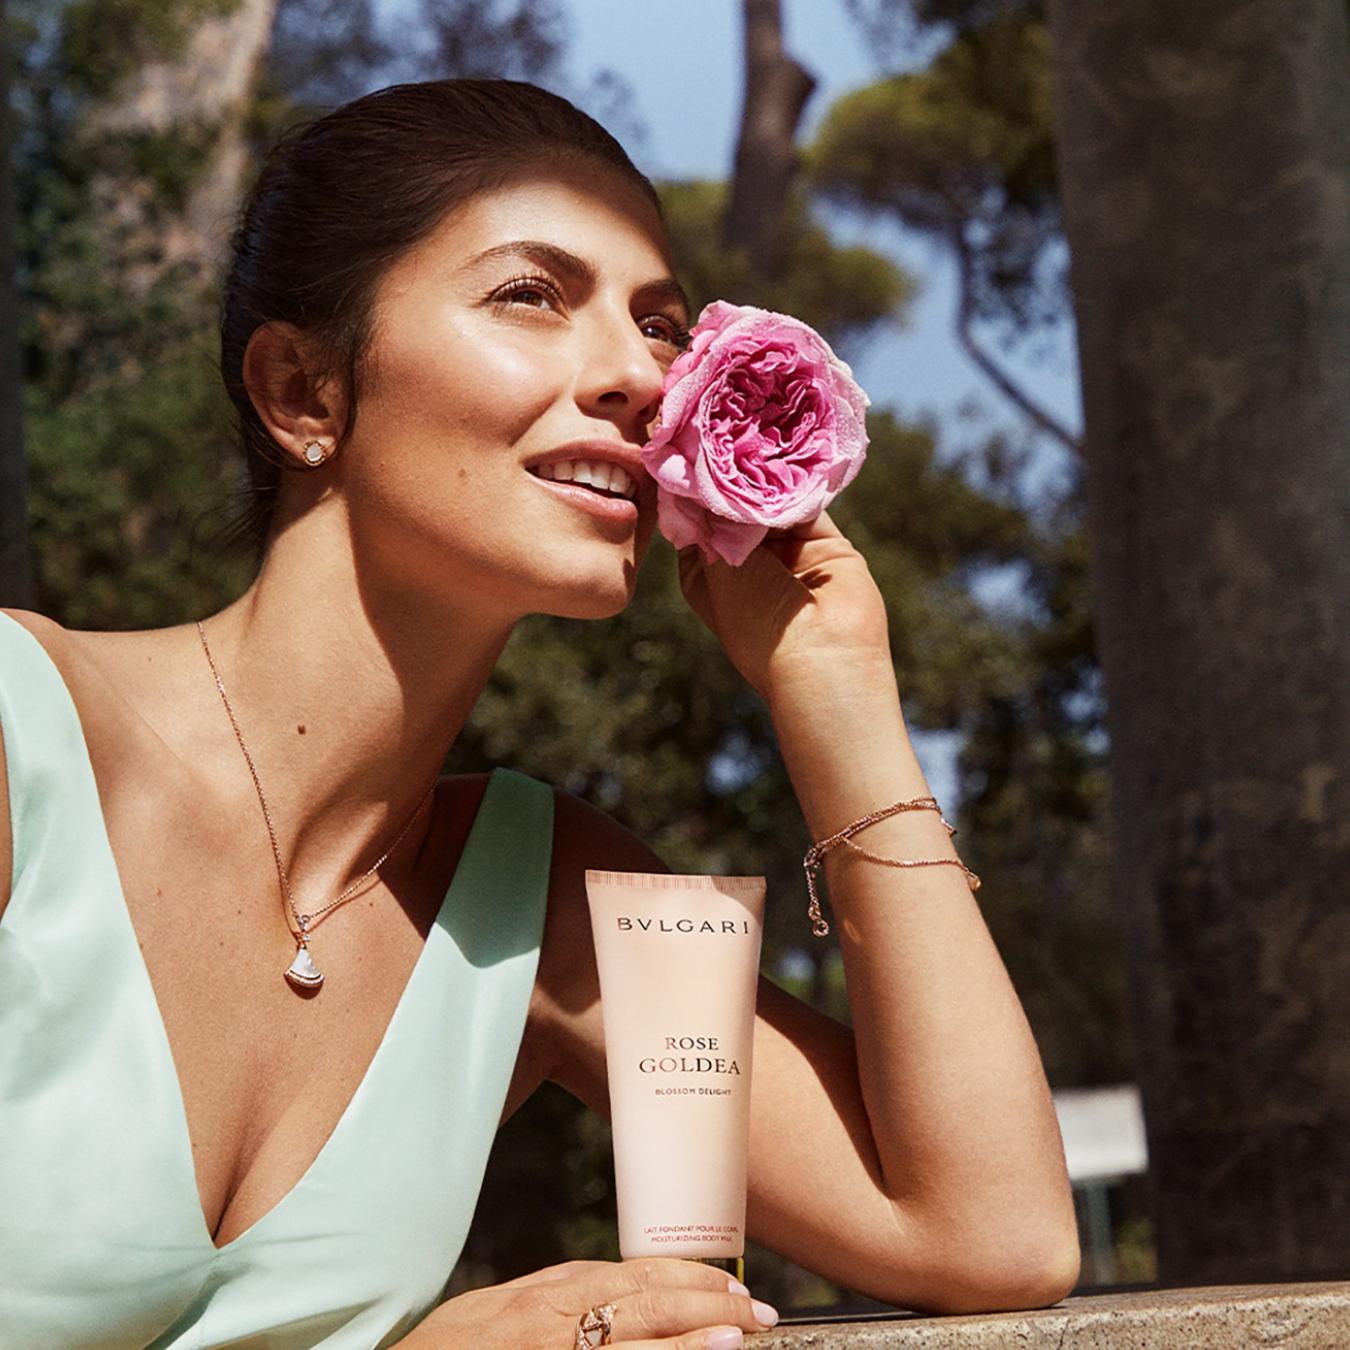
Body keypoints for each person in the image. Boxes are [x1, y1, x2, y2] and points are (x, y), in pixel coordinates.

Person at [0, 78, 1079, 1349]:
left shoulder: (536, 900)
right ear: (304, 391)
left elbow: (991, 1236)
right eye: (530, 294)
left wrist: (835, 686)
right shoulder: (24, 750)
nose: (640, 376)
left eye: (660, 326)